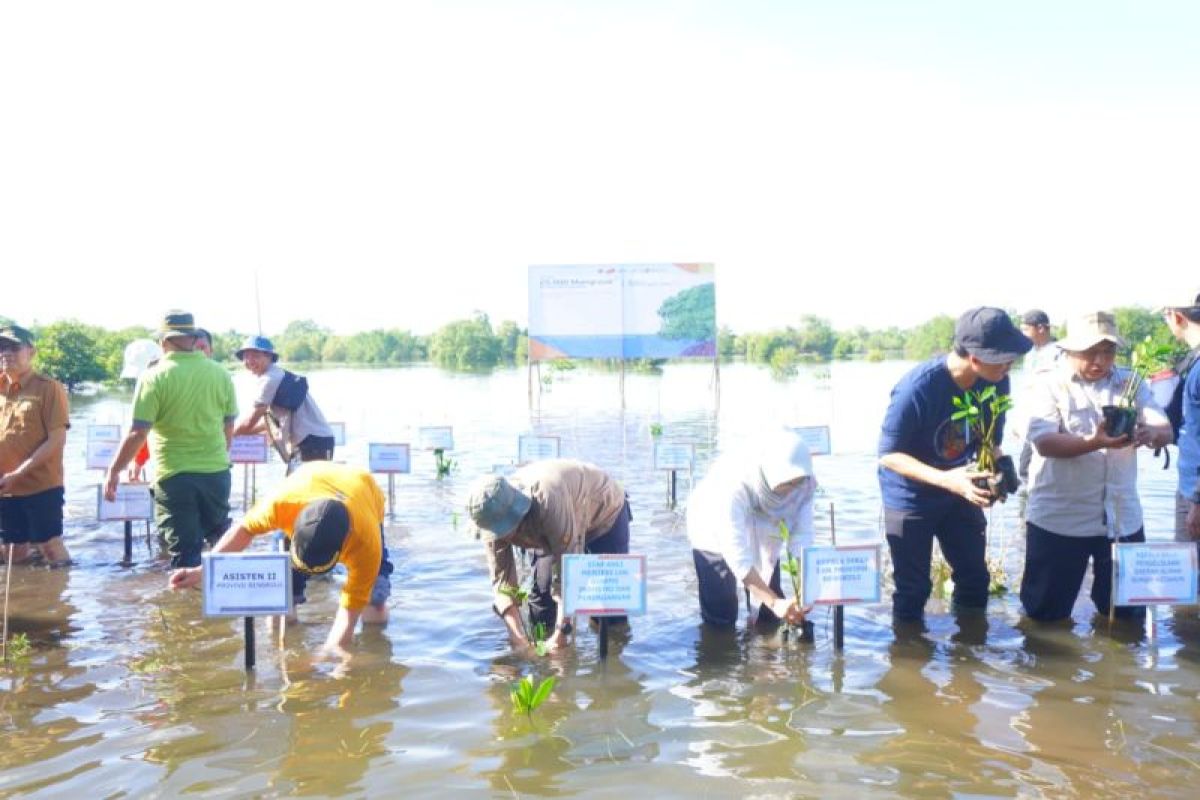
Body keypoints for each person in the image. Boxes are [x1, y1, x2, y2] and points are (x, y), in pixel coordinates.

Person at [878, 307, 1032, 623]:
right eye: (1003, 358)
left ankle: (970, 656)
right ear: (975, 359)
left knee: (975, 579)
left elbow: (989, 439)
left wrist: (1000, 465)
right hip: (911, 497)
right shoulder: (916, 389)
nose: (1010, 365)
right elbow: (889, 455)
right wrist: (949, 480)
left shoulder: (997, 382)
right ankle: (909, 661)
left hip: (960, 489)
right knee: (913, 589)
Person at [1019, 311, 1172, 621]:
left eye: (1108, 351)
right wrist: (1096, 441)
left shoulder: (1130, 380)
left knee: (1128, 617)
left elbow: (1165, 428)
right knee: (1046, 618)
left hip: (1122, 519)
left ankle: (1121, 668)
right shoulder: (1046, 383)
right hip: (1060, 519)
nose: (1100, 360)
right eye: (1091, 352)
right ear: (1068, 350)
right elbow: (1044, 442)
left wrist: (1152, 434)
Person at [170, 461, 392, 652]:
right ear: (293, 531)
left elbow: (347, 616)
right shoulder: (280, 505)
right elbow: (242, 531)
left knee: (374, 601)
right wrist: (201, 570)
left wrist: (328, 659)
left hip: (362, 490)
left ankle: (375, 644)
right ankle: (284, 638)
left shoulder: (366, 544)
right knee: (280, 604)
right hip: (308, 480)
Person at [104, 311, 238, 567]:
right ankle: (227, 603)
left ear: (163, 341)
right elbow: (229, 423)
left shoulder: (153, 376)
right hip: (217, 473)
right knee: (220, 542)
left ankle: (183, 607)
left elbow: (138, 432)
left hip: (174, 476)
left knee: (185, 553)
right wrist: (221, 454)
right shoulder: (220, 373)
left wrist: (113, 471)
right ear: (194, 338)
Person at [467, 460, 630, 653]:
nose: (503, 537)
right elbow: (502, 581)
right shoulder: (488, 516)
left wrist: (562, 632)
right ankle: (547, 658)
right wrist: (517, 636)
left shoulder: (547, 500)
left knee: (609, 609)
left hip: (603, 513)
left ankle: (613, 658)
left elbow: (569, 569)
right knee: (541, 602)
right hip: (550, 525)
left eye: (506, 530)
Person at [685, 430, 814, 629]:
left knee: (770, 616)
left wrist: (804, 587)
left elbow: (802, 537)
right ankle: (720, 654)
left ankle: (763, 651)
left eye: (798, 483)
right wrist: (774, 602)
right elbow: (736, 555)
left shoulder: (804, 482)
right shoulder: (732, 486)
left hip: (765, 530)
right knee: (721, 611)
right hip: (711, 528)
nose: (794, 490)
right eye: (788, 484)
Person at [0, 324, 70, 566]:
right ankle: (25, 601)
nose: (6, 353)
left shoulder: (48, 388)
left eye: (14, 347)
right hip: (5, 488)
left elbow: (57, 440)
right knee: (11, 551)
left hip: (41, 486)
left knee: (50, 547)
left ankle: (61, 601)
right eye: (1, 347)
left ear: (31, 351)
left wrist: (18, 473)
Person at [231, 335, 335, 464]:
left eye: (256, 355)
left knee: (305, 483)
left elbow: (252, 419)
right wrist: (240, 433)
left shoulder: (270, 379)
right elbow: (271, 423)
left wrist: (228, 434)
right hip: (315, 440)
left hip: (311, 442)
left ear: (269, 357)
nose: (250, 361)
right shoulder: (276, 374)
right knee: (297, 482)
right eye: (246, 356)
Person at [1161, 291, 1200, 549]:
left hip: (1194, 493)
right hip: (1191, 487)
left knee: (1190, 580)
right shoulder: (1192, 361)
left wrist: (1197, 500)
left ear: (1177, 317)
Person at [1015, 309, 1062, 483]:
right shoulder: (1030, 353)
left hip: (1049, 420)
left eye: (1026, 329)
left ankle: (1032, 505)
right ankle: (1027, 506)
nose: (1023, 334)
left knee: (1030, 468)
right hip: (1032, 419)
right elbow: (1027, 390)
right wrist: (1019, 423)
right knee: (1025, 468)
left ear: (1041, 328)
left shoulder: (1059, 353)